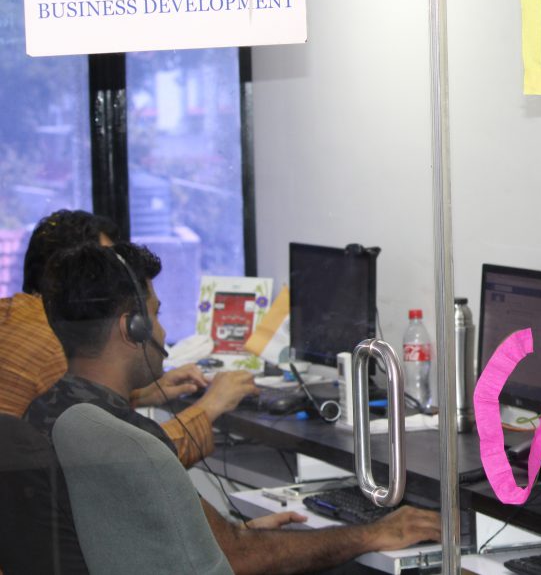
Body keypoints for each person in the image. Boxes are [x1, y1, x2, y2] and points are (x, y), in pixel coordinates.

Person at [27, 241, 442, 574]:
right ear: (132, 328)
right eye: (155, 314)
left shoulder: (47, 413)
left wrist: (233, 534)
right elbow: (237, 557)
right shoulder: (130, 439)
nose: (163, 331)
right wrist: (372, 534)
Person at [0, 209, 256, 467]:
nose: (123, 274)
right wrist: (210, 406)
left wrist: (140, 394)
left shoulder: (17, 317)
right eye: (108, 263)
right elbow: (132, 464)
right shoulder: (55, 346)